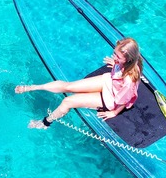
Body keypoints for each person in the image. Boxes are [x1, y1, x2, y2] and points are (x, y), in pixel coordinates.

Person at [15, 37, 143, 129]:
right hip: (109, 82)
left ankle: (45, 123)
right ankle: (33, 87)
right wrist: (116, 63)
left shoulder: (129, 80)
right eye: (114, 53)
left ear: (128, 59)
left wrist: (114, 112)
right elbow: (120, 63)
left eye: (118, 57)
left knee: (68, 101)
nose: (114, 57)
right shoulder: (124, 61)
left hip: (113, 98)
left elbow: (124, 100)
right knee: (68, 86)